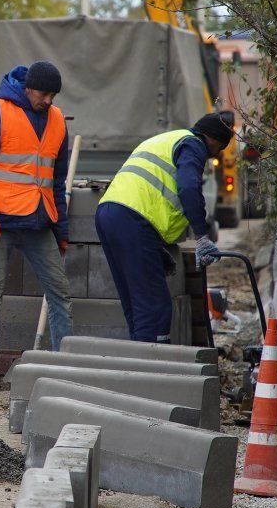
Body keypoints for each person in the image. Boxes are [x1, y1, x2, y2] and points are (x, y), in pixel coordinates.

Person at [0, 61, 73, 391]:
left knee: (61, 295)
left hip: (40, 222)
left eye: (54, 94)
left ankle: (65, 366)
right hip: (0, 222)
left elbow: (57, 180)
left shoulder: (56, 120)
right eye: (44, 93)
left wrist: (62, 229)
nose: (49, 100)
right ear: (27, 88)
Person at [95, 111, 234, 343]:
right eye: (218, 148)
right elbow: (189, 188)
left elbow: (150, 194)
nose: (214, 155)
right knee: (156, 308)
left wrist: (154, 248)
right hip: (133, 221)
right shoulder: (193, 144)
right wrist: (202, 236)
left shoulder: (166, 139)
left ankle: (139, 364)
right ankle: (156, 372)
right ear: (213, 139)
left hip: (109, 214)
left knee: (137, 304)